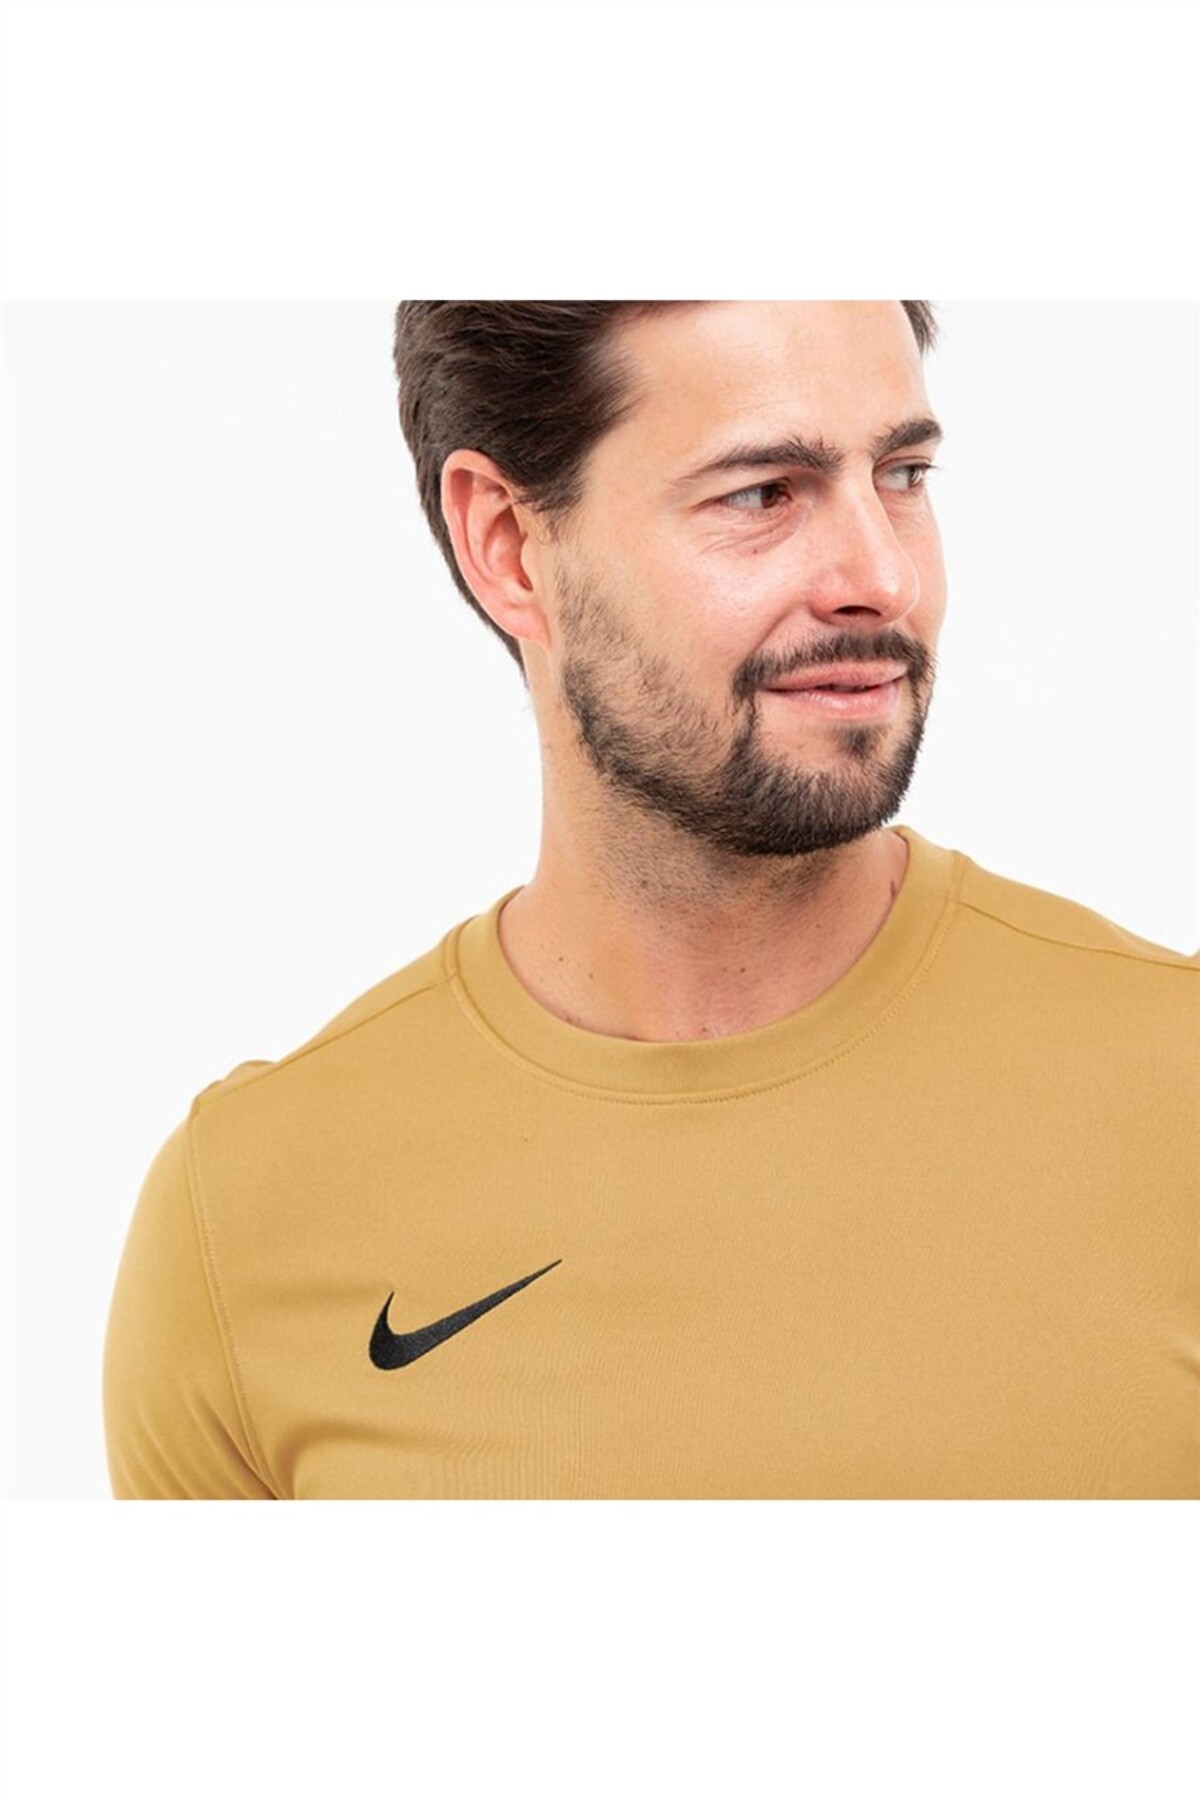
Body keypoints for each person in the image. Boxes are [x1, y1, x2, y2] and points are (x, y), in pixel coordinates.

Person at [102, 302, 1198, 1500]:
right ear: (507, 545)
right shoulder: (249, 1213)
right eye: (762, 493)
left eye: (902, 476)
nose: (882, 578)